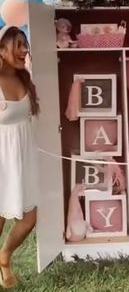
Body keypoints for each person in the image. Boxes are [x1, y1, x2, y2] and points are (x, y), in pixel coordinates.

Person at [0, 25, 39, 288]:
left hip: (24, 156)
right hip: (1, 158)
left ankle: (4, 256)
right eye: (18, 46)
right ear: (1, 51)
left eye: (25, 45)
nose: (24, 50)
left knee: (29, 219)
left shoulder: (25, 78)